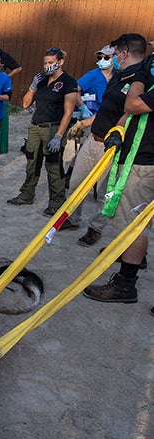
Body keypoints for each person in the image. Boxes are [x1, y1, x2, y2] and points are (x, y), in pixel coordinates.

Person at [83, 51, 154, 304]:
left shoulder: (143, 79)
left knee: (134, 227)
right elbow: (131, 112)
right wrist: (120, 127)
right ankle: (133, 261)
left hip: (144, 164)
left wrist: (140, 78)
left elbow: (133, 104)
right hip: (137, 160)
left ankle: (125, 285)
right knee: (132, 223)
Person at [70, 34, 149, 246]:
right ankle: (72, 218)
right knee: (76, 182)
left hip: (113, 146)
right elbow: (106, 108)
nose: (112, 58)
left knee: (106, 192)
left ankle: (95, 229)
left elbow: (130, 113)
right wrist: (84, 123)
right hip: (93, 139)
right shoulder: (117, 75)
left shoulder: (141, 81)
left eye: (114, 54)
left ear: (124, 54)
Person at [7, 47, 77, 217]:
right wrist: (32, 86)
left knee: (53, 165)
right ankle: (27, 194)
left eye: (51, 63)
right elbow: (25, 104)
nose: (47, 66)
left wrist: (59, 135)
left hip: (53, 128)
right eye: (45, 63)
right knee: (32, 162)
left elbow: (68, 112)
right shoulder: (41, 80)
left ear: (60, 62)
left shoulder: (68, 82)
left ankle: (56, 202)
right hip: (35, 126)